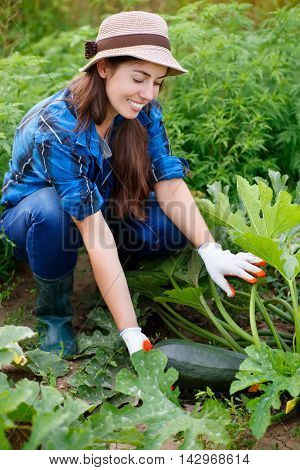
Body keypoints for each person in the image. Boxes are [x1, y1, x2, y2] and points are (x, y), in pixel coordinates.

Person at [0, 11, 266, 359]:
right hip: (31, 221)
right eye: (139, 78)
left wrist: (210, 250)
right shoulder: (57, 126)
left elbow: (168, 185)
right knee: (51, 211)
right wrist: (131, 332)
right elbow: (93, 230)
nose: (147, 93)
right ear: (104, 68)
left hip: (97, 206)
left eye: (156, 82)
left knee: (166, 227)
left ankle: (117, 277)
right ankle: (55, 315)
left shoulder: (143, 111)